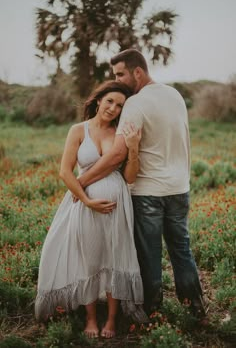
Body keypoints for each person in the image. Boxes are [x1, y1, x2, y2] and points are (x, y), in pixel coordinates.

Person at [78, 49, 206, 319]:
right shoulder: (175, 95)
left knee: (149, 254)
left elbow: (116, 155)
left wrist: (82, 180)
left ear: (138, 72)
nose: (118, 79)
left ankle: (152, 310)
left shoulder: (135, 104)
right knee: (181, 248)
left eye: (120, 74)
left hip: (148, 191)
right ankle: (195, 307)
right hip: (179, 187)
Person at [35, 80, 147, 339]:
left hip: (117, 205)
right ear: (98, 100)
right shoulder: (78, 130)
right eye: (110, 101)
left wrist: (133, 148)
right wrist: (86, 200)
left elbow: (130, 178)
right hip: (85, 204)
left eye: (119, 105)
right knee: (89, 259)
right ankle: (91, 318)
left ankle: (110, 319)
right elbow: (64, 171)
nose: (113, 108)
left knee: (114, 258)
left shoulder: (120, 133)